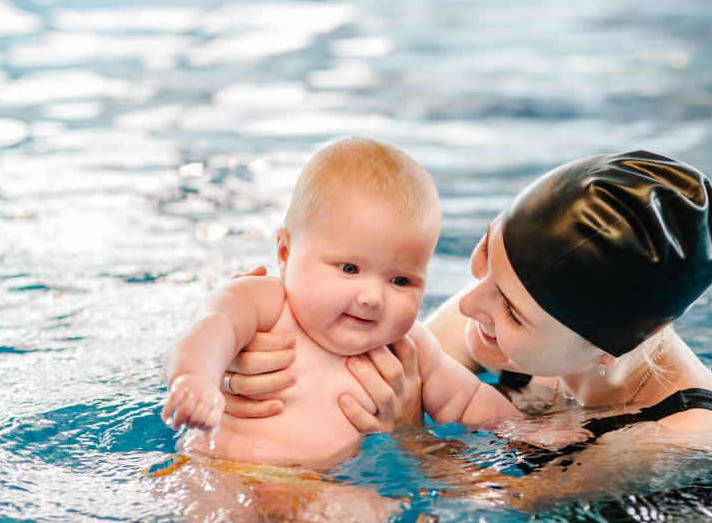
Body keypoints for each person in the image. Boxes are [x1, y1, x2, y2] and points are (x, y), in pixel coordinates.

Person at [220, 150, 712, 502]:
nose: (471, 303)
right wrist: (250, 345)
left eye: (513, 312)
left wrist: (412, 436)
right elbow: (359, 364)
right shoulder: (514, 303)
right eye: (485, 257)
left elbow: (512, 505)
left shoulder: (684, 436)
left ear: (606, 350)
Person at [161, 136, 515, 470]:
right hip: (219, 467)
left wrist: (532, 429)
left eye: (400, 280)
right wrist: (194, 379)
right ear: (285, 254)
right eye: (349, 268)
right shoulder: (266, 303)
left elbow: (470, 402)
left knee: (370, 510)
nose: (372, 298)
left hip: (322, 488)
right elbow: (212, 325)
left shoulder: (409, 351)